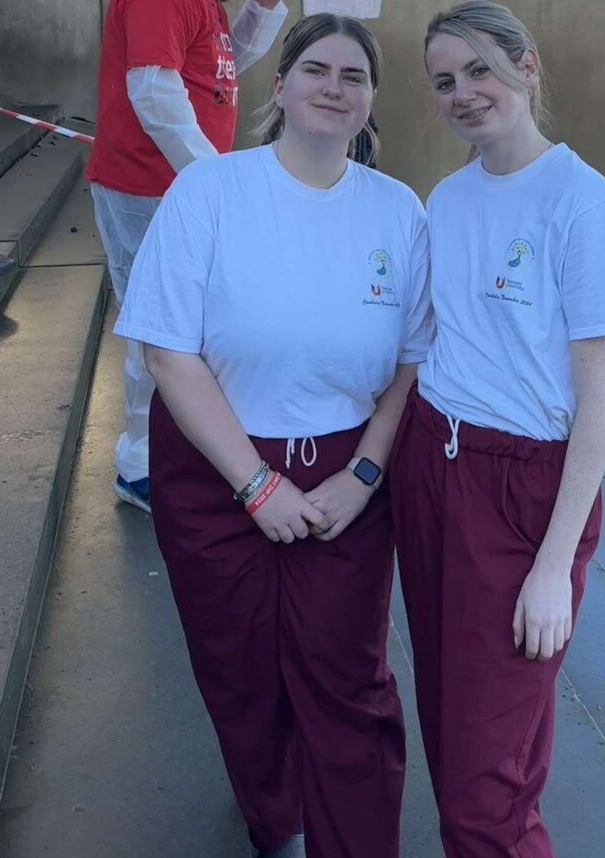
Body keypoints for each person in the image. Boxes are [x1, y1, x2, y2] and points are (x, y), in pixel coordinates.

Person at [114, 13, 432, 858]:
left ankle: (358, 842)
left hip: (341, 471)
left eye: (354, 76)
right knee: (241, 669)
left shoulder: (398, 213)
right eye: (317, 69)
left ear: (370, 101)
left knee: (347, 675)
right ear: (281, 85)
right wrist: (255, 484)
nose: (334, 86)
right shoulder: (212, 192)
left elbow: (410, 365)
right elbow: (168, 351)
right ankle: (275, 819)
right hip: (215, 465)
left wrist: (362, 477)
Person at [389, 2, 605, 856]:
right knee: (456, 725)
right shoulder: (450, 199)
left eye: (479, 70)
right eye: (444, 81)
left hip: (522, 490)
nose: (463, 93)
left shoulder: (584, 207)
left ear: (527, 66)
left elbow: (600, 402)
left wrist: (552, 567)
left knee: (481, 788)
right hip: (433, 462)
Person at [87, 0, 288, 514]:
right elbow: (153, 90)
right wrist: (213, 181)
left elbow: (222, 65)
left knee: (179, 325)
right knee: (158, 327)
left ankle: (171, 454)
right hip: (148, 185)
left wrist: (263, 9)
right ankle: (143, 466)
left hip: (170, 183)